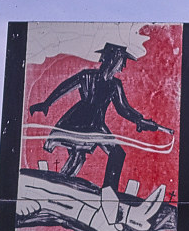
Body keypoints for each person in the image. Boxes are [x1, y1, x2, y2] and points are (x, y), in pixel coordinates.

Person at [28, 42, 161, 190]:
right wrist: (46, 103)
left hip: (84, 122)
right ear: (114, 60)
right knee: (114, 153)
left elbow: (123, 109)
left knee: (80, 157)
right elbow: (65, 87)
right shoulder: (95, 78)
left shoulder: (108, 82)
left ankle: (63, 184)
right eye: (122, 61)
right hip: (86, 124)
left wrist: (140, 120)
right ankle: (107, 190)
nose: (123, 66)